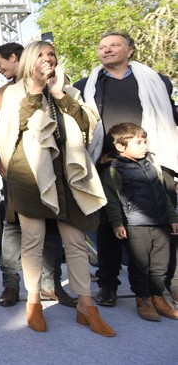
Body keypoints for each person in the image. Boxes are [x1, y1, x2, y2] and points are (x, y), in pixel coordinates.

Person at [0, 41, 114, 336]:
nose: (47, 59)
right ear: (28, 61)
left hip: (69, 173)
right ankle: (33, 302)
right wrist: (36, 90)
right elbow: (16, 127)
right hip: (29, 173)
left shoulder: (69, 90)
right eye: (40, 55)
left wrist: (60, 93)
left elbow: (87, 125)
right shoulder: (14, 92)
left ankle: (87, 306)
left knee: (75, 241)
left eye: (51, 55)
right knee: (32, 241)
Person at [74, 32, 178, 307]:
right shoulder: (86, 85)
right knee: (109, 226)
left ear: (130, 50)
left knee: (165, 227)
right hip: (108, 165)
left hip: (154, 161)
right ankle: (108, 284)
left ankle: (164, 285)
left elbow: (170, 116)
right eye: (102, 47)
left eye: (114, 46)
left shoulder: (156, 81)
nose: (106, 50)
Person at [0, 43, 75, 308]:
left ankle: (51, 285)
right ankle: (11, 284)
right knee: (13, 226)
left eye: (0, 63)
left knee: (52, 228)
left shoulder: (60, 84)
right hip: (20, 172)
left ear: (15, 57)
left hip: (57, 171)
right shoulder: (5, 93)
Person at [100, 122, 178, 321]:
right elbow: (112, 199)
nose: (145, 146)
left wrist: (172, 218)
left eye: (145, 142)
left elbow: (162, 194)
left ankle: (158, 297)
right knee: (140, 266)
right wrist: (117, 223)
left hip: (159, 222)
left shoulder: (151, 165)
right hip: (135, 225)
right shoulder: (114, 169)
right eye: (139, 142)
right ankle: (143, 299)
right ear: (120, 147)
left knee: (160, 265)